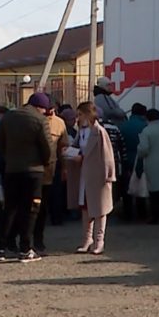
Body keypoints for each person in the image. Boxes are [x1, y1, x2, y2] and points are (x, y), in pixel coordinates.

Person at [0, 93, 52, 262]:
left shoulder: (8, 117)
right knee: (31, 210)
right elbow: (47, 147)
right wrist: (45, 163)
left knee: (9, 208)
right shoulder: (40, 120)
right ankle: (25, 249)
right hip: (34, 171)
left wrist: (8, 159)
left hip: (11, 170)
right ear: (40, 107)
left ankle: (1, 248)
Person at [66, 101, 116, 254]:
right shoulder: (81, 131)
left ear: (89, 114)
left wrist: (109, 174)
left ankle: (99, 240)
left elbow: (107, 154)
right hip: (84, 174)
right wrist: (70, 153)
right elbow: (77, 148)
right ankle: (87, 239)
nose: (78, 118)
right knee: (86, 208)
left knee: (100, 208)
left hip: (98, 175)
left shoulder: (99, 131)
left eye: (80, 114)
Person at [35, 94, 69, 254]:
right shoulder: (35, 121)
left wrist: (64, 168)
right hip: (35, 168)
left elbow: (63, 147)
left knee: (53, 198)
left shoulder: (59, 123)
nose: (49, 112)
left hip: (52, 168)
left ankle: (55, 220)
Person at [120, 103, 149, 220]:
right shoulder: (145, 126)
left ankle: (127, 213)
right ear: (143, 114)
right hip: (140, 159)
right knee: (140, 186)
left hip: (125, 159)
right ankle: (141, 213)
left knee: (126, 187)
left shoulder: (122, 126)